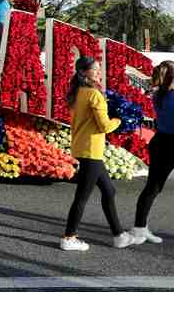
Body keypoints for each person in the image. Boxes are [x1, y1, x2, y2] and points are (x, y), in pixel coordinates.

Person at [60, 56, 135, 251]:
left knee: (109, 190)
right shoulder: (94, 94)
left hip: (83, 147)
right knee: (82, 197)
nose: (99, 72)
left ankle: (119, 235)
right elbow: (104, 126)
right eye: (95, 69)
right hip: (91, 149)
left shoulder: (77, 92)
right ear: (84, 72)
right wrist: (120, 121)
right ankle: (69, 237)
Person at [131, 60, 174, 244]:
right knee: (153, 187)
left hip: (160, 141)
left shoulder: (159, 95)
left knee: (152, 187)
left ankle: (139, 228)